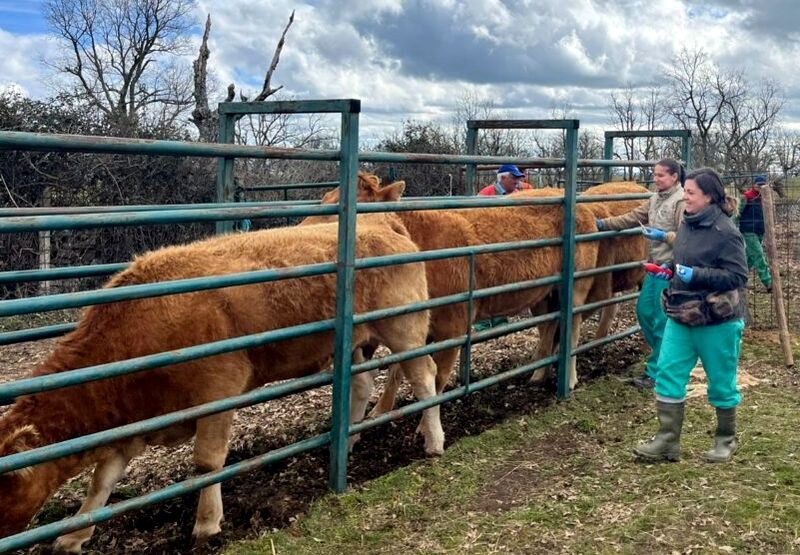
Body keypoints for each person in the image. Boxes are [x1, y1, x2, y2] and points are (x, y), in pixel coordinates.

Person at [634, 167, 747, 464]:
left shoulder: (726, 233)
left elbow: (737, 276)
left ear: (709, 197)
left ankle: (726, 439)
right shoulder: (686, 224)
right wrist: (670, 270)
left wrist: (695, 274)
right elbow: (681, 258)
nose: (685, 198)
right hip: (681, 313)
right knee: (668, 374)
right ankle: (667, 441)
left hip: (716, 320)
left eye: (691, 193)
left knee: (721, 381)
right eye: (685, 192)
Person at [595, 159, 685, 389]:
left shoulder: (681, 201)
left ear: (674, 177)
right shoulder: (655, 199)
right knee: (645, 312)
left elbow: (686, 239)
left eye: (661, 176)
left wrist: (664, 236)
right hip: (655, 266)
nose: (655, 179)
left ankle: (658, 371)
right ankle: (665, 359)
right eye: (654, 175)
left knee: (661, 318)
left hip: (670, 268)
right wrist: (602, 224)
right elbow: (632, 217)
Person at [473, 164, 532, 331]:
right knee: (483, 284)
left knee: (502, 282)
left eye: (519, 177)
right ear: (502, 178)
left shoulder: (517, 195)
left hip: (507, 246)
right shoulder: (485, 194)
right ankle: (482, 324)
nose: (517, 181)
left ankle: (499, 322)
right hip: (486, 244)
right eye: (514, 177)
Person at [738, 175, 772, 292]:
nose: (760, 187)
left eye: (763, 185)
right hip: (748, 231)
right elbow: (737, 213)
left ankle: (738, 280)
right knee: (758, 254)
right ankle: (768, 282)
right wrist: (734, 229)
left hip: (760, 230)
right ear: (754, 185)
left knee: (750, 258)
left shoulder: (766, 198)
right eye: (759, 185)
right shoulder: (746, 197)